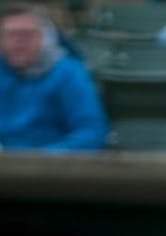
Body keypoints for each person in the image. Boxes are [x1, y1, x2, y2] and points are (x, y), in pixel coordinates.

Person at [0, 4, 107, 152]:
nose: (19, 41)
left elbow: (91, 132)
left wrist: (40, 159)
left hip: (53, 167)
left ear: (45, 37)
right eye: (11, 34)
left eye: (27, 34)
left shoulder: (69, 72)